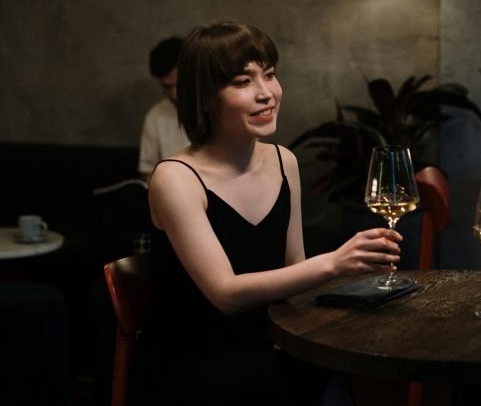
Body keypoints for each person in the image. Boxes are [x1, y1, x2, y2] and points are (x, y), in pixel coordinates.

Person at [131, 21, 403, 405]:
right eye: (243, 82)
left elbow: (294, 270)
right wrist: (336, 263)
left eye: (270, 75)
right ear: (205, 97)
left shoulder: (283, 161)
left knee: (362, 363)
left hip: (269, 342)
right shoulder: (176, 178)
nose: (266, 94)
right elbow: (225, 295)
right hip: (194, 361)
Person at [138, 36, 191, 180]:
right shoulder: (156, 116)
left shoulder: (221, 109)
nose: (174, 93)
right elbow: (147, 171)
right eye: (167, 86)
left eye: (179, 83)